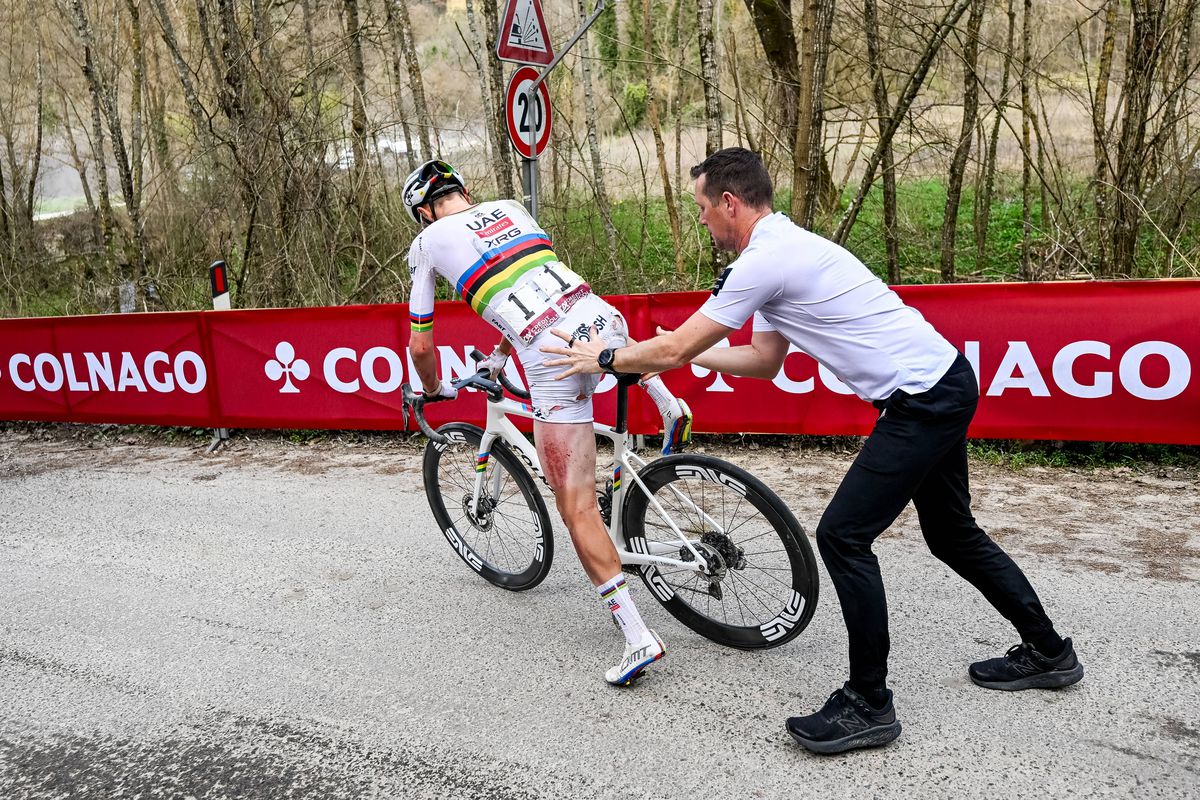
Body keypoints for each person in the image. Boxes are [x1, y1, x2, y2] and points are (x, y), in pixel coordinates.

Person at [541, 147, 1083, 752]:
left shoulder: (764, 262)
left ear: (729, 202)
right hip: (942, 383)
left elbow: (670, 352)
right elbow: (762, 363)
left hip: (923, 399)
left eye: (700, 207)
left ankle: (869, 703)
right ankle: (1049, 651)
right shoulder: (779, 250)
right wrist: (675, 349)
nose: (699, 220)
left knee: (843, 536)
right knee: (951, 533)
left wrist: (612, 358)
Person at [402, 158, 691, 685]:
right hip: (599, 318)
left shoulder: (427, 242)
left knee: (576, 505)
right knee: (608, 358)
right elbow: (534, 287)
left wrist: (433, 387)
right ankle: (666, 401)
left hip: (550, 357)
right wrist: (496, 354)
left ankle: (637, 638)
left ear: (422, 211)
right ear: (464, 190)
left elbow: (422, 343)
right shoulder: (512, 208)